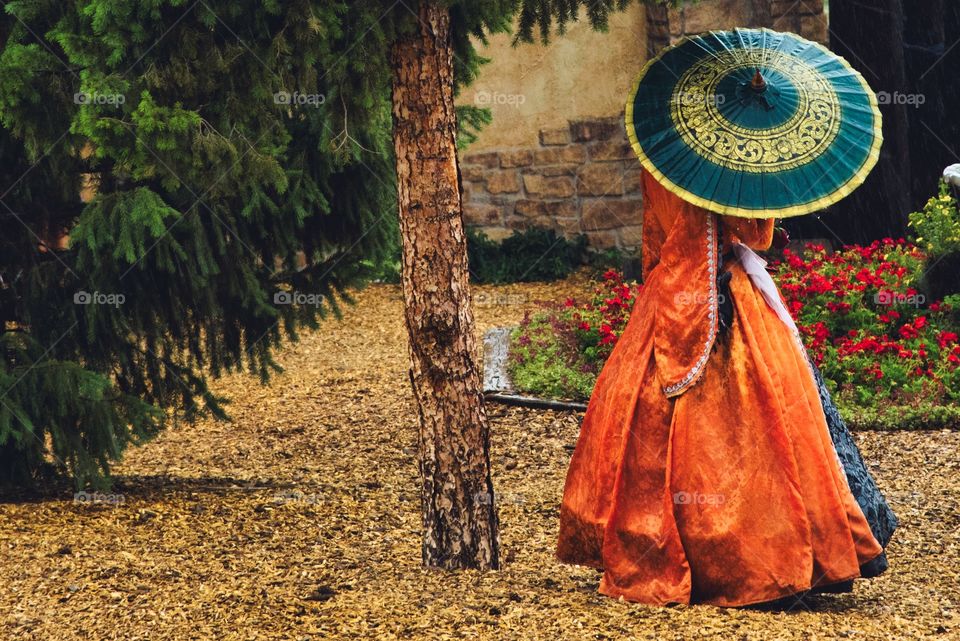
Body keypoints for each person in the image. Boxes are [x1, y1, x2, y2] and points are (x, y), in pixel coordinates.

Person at [555, 168, 896, 607]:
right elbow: (755, 235)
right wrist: (762, 190)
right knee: (765, 414)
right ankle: (753, 556)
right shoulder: (722, 164)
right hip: (726, 298)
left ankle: (648, 541)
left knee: (646, 421)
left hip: (669, 292)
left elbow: (654, 237)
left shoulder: (657, 160)